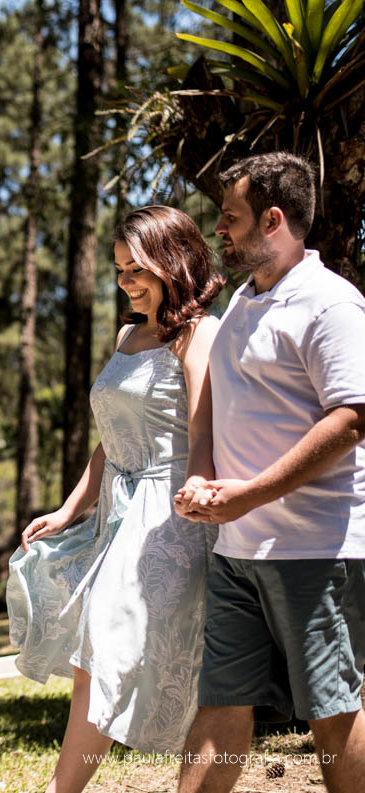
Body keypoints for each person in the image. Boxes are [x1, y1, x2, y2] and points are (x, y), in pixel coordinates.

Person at [7, 205, 224, 793]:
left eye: (137, 269)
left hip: (169, 514)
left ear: (171, 262)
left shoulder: (199, 333)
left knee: (112, 646)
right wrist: (70, 507)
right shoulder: (130, 333)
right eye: (120, 269)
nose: (126, 281)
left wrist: (200, 489)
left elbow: (205, 430)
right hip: (117, 511)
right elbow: (108, 441)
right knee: (92, 652)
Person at [172, 152, 365, 793]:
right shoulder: (239, 307)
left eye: (231, 217)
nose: (218, 229)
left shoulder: (331, 304)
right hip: (237, 550)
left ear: (273, 219)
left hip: (316, 548)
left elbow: (352, 419)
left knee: (331, 711)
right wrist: (205, 482)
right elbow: (216, 417)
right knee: (221, 700)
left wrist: (250, 494)